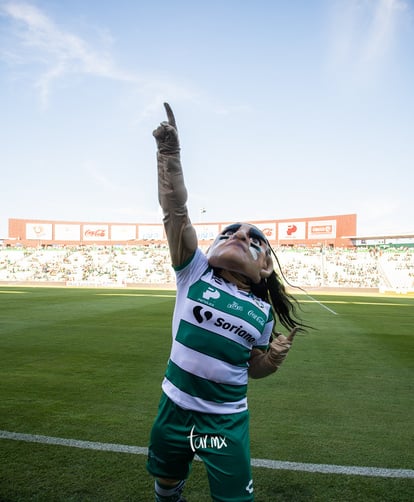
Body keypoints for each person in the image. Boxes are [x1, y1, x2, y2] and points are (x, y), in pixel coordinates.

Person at [146, 103, 305, 502]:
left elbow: (253, 368)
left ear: (265, 269)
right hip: (174, 407)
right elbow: (175, 210)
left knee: (233, 499)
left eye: (254, 240)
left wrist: (273, 360)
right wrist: (169, 155)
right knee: (166, 483)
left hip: (224, 422)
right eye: (230, 231)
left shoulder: (264, 313)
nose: (240, 234)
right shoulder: (193, 271)